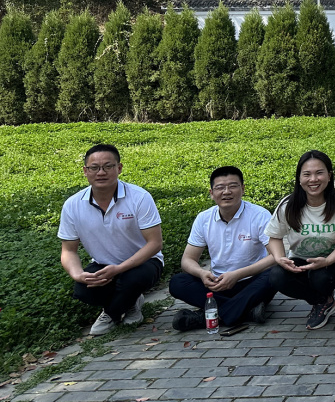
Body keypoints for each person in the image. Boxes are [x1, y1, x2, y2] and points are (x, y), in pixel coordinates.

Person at [58, 144, 163, 336]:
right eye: (94, 168)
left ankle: (111, 313)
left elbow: (155, 244)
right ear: (85, 171)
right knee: (83, 290)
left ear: (119, 168)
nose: (101, 172)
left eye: (108, 166)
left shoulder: (139, 197)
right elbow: (68, 251)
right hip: (103, 264)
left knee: (133, 279)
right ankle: (131, 301)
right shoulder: (73, 205)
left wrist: (120, 269)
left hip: (145, 262)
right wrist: (78, 274)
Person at [168, 166, 276, 331]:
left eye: (233, 186)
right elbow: (188, 260)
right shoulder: (203, 218)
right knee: (178, 282)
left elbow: (275, 256)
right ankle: (246, 311)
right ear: (212, 193)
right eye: (220, 188)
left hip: (250, 282)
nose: (226, 192)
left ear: (243, 189)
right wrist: (202, 274)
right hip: (216, 285)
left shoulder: (259, 215)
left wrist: (238, 274)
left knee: (276, 274)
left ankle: (204, 318)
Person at [266, 150, 335, 330]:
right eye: (307, 174)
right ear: (299, 178)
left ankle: (322, 296)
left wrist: (327, 261)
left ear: (329, 176)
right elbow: (274, 238)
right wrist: (279, 258)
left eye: (319, 173)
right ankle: (323, 301)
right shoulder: (288, 205)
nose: (313, 179)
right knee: (276, 276)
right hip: (300, 258)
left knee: (319, 277)